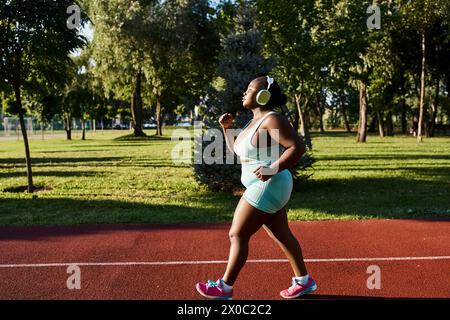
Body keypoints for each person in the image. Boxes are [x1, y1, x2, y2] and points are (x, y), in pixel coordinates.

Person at [195, 76, 317, 300]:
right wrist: (226, 128)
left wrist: (273, 168)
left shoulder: (272, 120)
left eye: (250, 88)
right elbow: (240, 153)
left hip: (268, 184)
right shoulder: (254, 121)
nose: (245, 92)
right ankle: (304, 281)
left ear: (263, 96)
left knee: (237, 233)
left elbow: (297, 147)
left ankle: (224, 287)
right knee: (281, 234)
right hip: (266, 184)